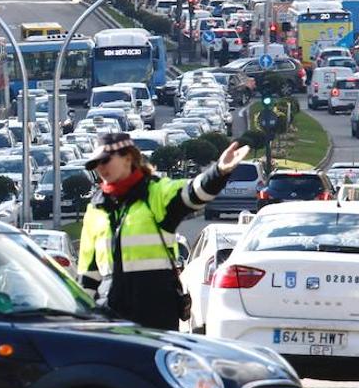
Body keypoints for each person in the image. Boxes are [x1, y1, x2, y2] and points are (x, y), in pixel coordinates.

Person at [77, 133, 248, 330]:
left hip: (155, 310)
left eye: (105, 160)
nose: (100, 168)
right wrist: (81, 319)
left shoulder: (156, 192)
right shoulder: (96, 208)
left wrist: (218, 171)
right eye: (95, 164)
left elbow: (194, 193)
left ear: (128, 158)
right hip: (111, 314)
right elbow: (88, 275)